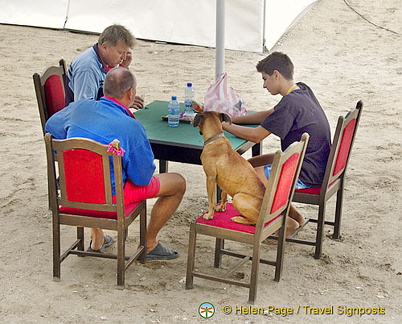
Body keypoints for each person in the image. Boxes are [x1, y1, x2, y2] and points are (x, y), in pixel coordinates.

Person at [46, 67, 186, 260]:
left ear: (104, 90)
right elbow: (142, 178)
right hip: (111, 198)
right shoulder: (131, 127)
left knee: (88, 174)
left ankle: (97, 238)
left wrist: (75, 151)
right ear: (131, 93)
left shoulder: (78, 107)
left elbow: (51, 127)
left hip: (74, 191)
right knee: (178, 183)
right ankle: (150, 243)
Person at [222, 52, 331, 237]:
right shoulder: (302, 90)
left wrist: (223, 126)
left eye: (265, 79)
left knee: (248, 180)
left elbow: (257, 136)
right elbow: (269, 114)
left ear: (276, 74)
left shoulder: (290, 104)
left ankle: (286, 224)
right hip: (313, 163)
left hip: (305, 173)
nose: (264, 85)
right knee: (248, 165)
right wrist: (234, 120)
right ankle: (297, 218)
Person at [65, 24, 144, 109]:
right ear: (105, 47)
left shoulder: (109, 60)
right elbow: (85, 109)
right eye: (120, 52)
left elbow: (113, 92)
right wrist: (119, 104)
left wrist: (123, 68)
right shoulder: (87, 68)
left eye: (126, 53)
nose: (124, 57)